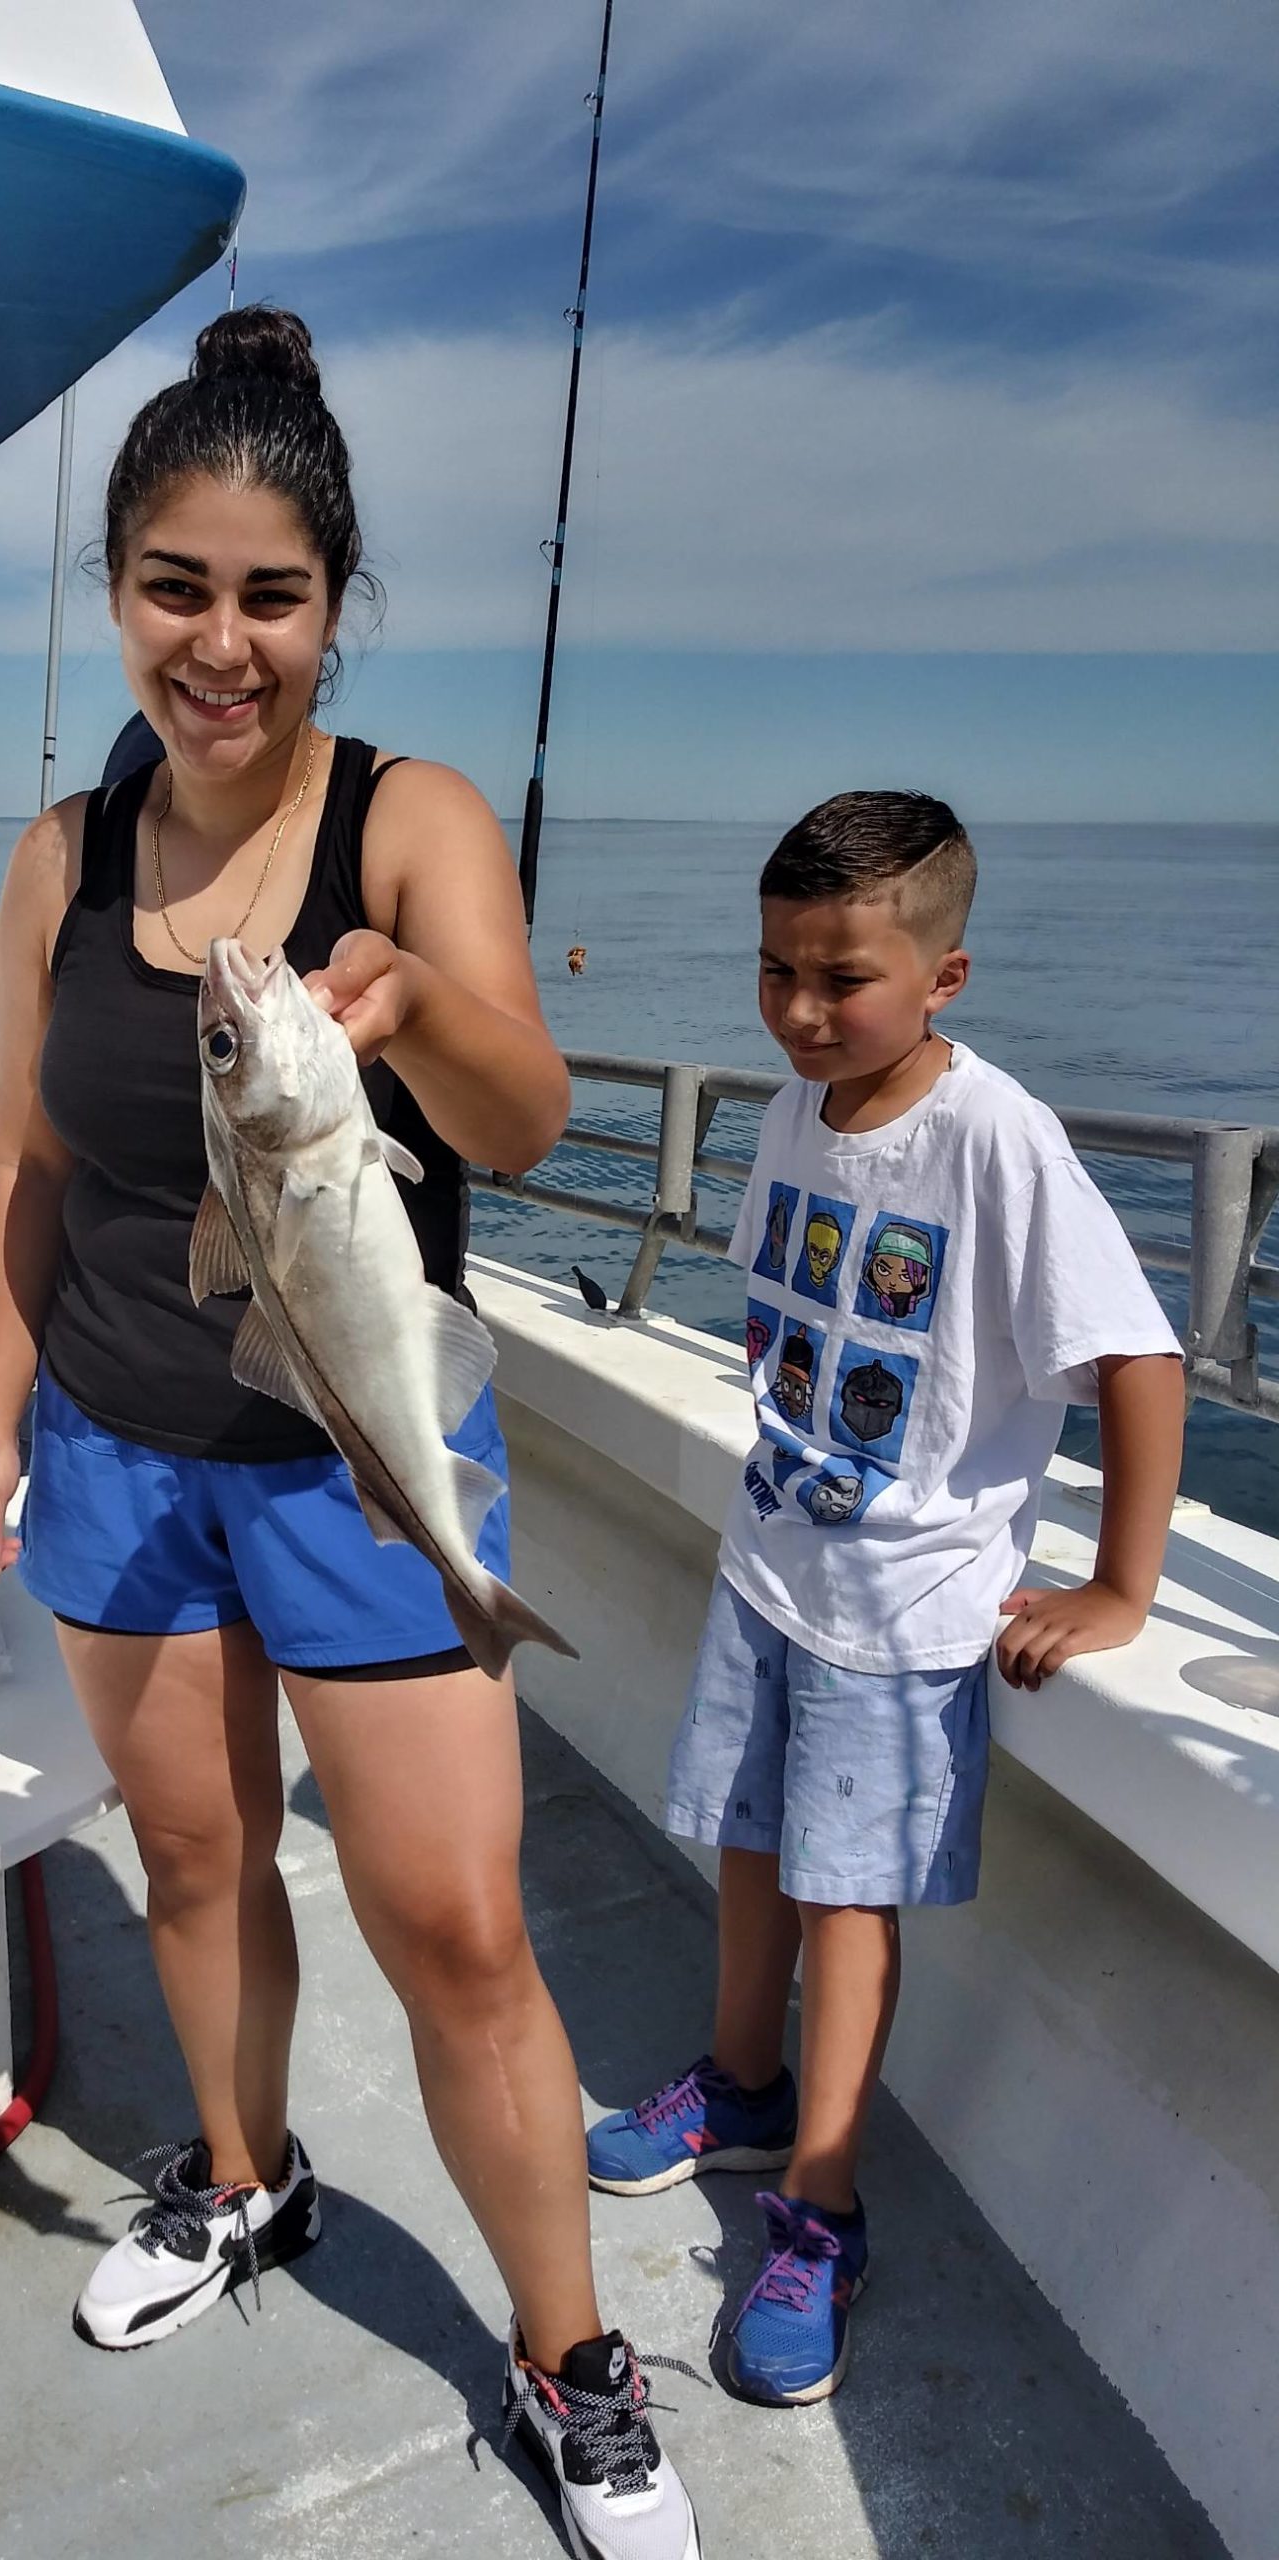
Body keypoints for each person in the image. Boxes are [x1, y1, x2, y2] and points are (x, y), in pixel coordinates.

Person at [0, 306, 700, 2558]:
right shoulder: (66, 848)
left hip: (357, 1453)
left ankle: (571, 2362)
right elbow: (34, 1170)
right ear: (119, 591)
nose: (222, 642)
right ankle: (244, 2176)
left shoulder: (413, 817)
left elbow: (532, 1122)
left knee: (457, 1927)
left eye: (271, 594)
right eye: (177, 584)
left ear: (334, 603)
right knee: (193, 1861)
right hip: (117, 1441)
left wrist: (421, 1006)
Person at [586, 791, 1185, 2408]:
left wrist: (1124, 1583)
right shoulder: (801, 1102)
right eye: (776, 969)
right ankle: (743, 2079)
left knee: (852, 1904)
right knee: (753, 1843)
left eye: (839, 977)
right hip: (773, 1564)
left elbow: (1136, 1354)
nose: (796, 1009)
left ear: (946, 976)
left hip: (906, 1612)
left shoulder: (995, 1137)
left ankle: (824, 2209)